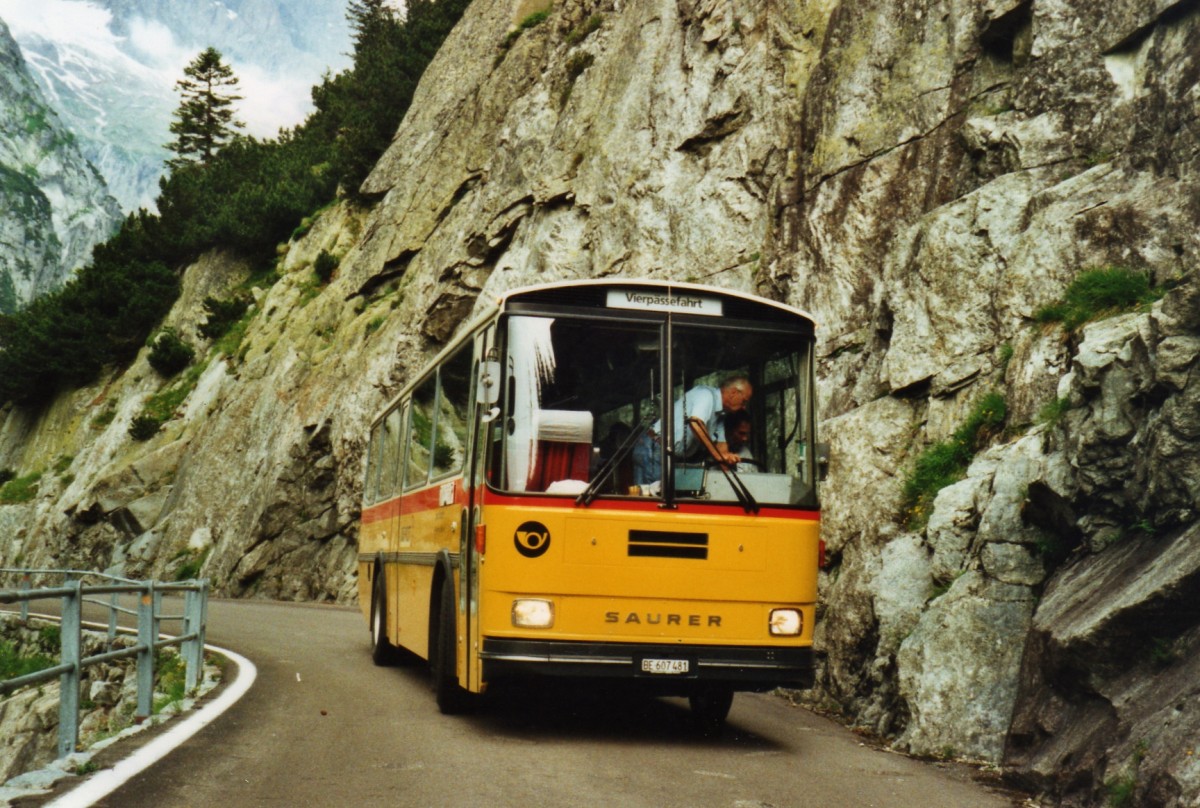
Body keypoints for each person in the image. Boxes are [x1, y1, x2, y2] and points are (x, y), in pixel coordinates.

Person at [632, 376, 752, 486]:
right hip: (655, 448)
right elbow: (695, 423)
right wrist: (719, 456)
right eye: (744, 401)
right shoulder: (706, 395)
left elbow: (722, 449)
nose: (744, 407)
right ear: (733, 393)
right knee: (655, 501)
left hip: (669, 454)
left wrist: (728, 470)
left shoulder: (721, 415)